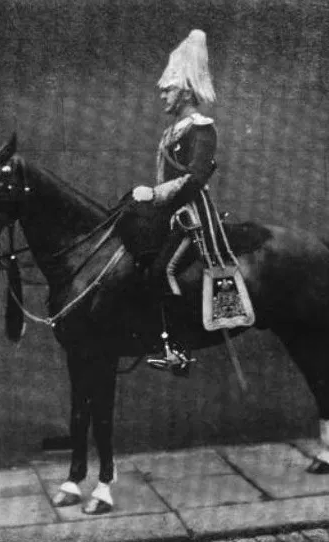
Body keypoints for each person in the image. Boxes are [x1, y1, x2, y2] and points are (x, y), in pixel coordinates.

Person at [131, 29, 218, 373]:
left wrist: (154, 194)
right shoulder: (173, 130)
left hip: (193, 217)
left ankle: (179, 349)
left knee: (163, 269)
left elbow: (195, 179)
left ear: (184, 91)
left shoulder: (202, 129)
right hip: (168, 214)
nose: (162, 95)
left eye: (167, 89)